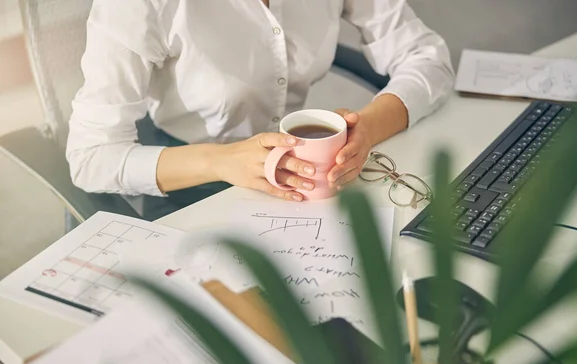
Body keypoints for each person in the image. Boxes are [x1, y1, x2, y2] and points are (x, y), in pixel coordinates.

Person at [67, 0, 454, 220]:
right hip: (191, 189)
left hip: (304, 183)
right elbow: (90, 156)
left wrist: (368, 126)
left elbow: (427, 58)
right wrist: (221, 162)